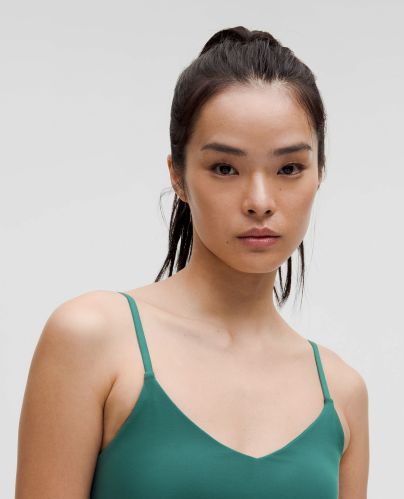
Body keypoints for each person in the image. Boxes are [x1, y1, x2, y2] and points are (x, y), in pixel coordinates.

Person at [15, 26, 369, 498]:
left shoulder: (342, 393)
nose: (260, 201)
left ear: (319, 172)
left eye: (289, 168)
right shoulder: (92, 339)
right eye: (225, 168)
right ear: (178, 176)